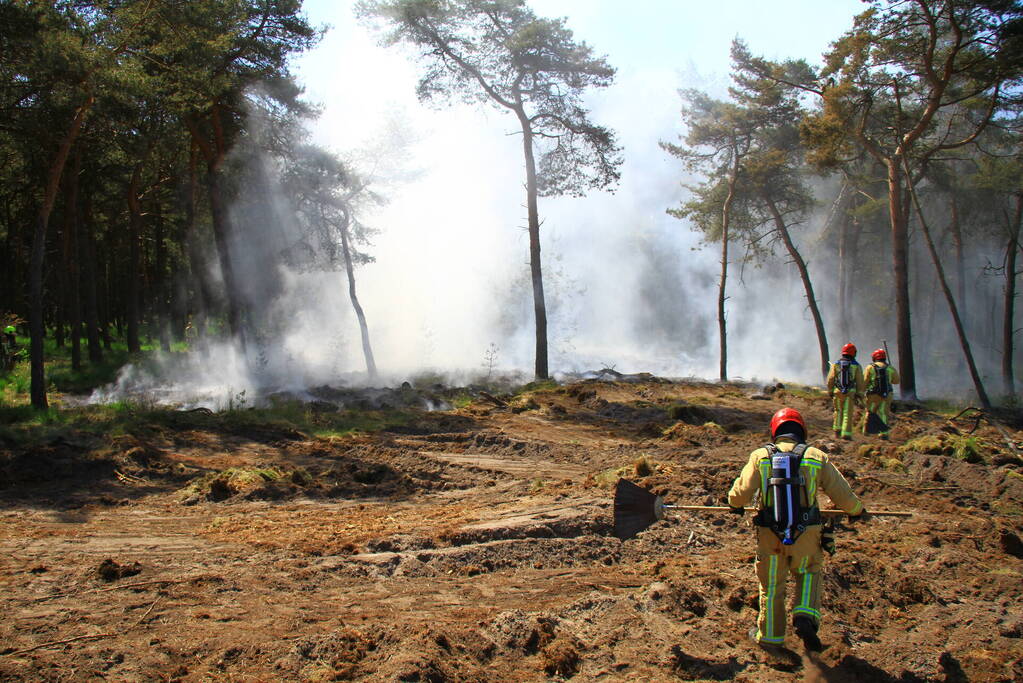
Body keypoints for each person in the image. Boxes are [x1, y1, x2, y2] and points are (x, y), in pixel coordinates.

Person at [727, 407, 867, 652]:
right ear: (801, 430)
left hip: (770, 537)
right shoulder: (816, 456)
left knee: (771, 587)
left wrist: (734, 504)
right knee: (810, 573)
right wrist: (856, 510)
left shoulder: (760, 456)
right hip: (807, 535)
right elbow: (841, 493)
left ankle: (770, 638)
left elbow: (740, 494)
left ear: (775, 432)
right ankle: (804, 615)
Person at [825, 342, 864, 440]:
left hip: (838, 392)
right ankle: (846, 434)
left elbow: (830, 379)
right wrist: (860, 394)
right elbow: (860, 381)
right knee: (847, 413)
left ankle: (837, 432)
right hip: (850, 393)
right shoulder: (856, 366)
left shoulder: (836, 364)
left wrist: (830, 391)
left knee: (838, 411)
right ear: (854, 353)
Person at [862, 348, 900, 439]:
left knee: (870, 412)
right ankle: (883, 434)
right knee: (883, 413)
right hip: (887, 395)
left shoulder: (870, 367)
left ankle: (866, 432)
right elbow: (896, 381)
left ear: (874, 357)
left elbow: (864, 382)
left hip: (873, 395)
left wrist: (861, 392)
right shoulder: (890, 368)